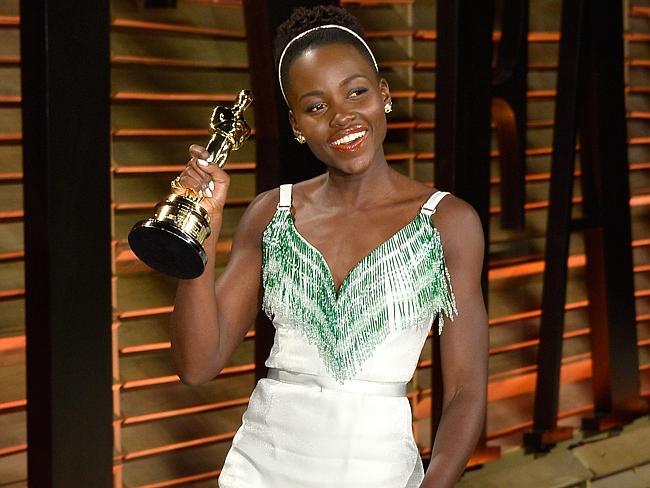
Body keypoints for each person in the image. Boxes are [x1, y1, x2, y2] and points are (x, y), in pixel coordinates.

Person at [170, 5, 488, 487]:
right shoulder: (270, 215)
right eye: (317, 106)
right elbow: (197, 365)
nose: (342, 117)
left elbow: (465, 390)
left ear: (383, 95)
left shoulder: (449, 222)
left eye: (356, 92)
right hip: (260, 471)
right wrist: (200, 232)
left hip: (379, 473)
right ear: (297, 123)